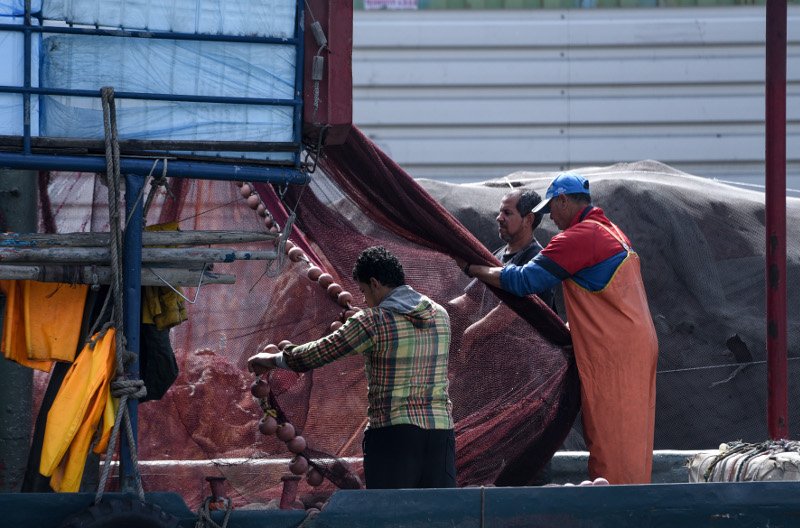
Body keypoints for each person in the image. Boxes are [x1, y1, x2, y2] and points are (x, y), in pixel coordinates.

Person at [457, 173, 658, 485]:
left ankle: (617, 508)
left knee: (612, 438)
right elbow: (603, 300)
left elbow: (524, 282)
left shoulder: (580, 238)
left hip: (613, 350)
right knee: (630, 436)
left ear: (564, 200)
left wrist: (476, 269)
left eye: (553, 209)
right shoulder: (612, 232)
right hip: (629, 342)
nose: (551, 217)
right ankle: (626, 496)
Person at [248, 246, 456, 489]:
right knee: (440, 513)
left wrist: (271, 360)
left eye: (364, 291)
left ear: (375, 283)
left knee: (391, 514)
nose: (365, 300)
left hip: (393, 436)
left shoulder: (372, 321)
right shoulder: (440, 315)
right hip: (441, 433)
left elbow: (316, 354)